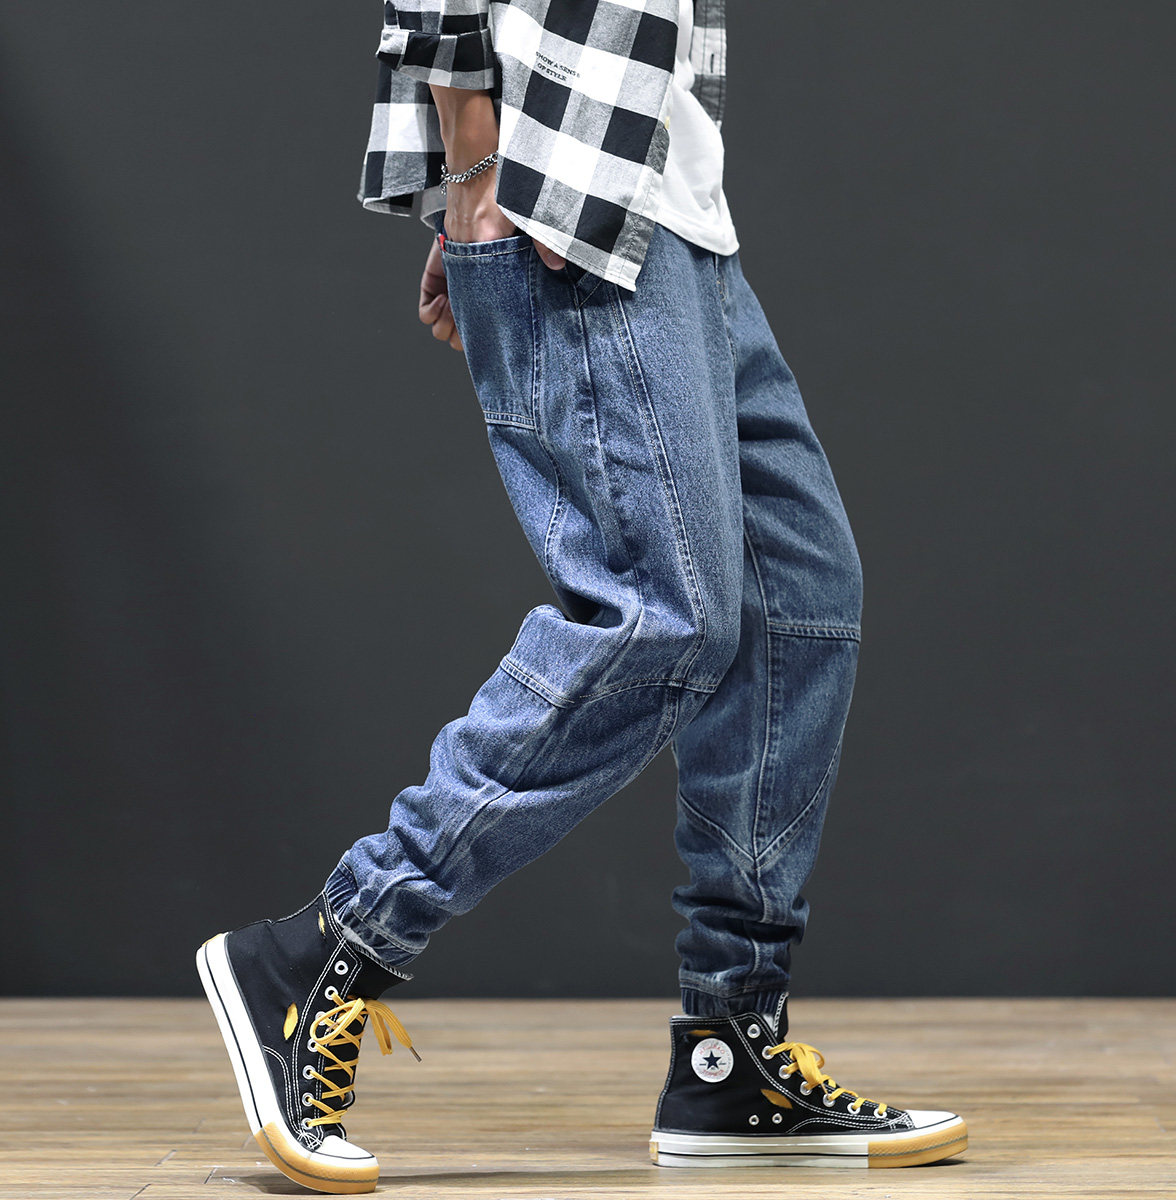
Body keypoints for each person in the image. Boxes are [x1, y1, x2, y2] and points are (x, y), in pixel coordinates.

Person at [196, 0, 967, 1191]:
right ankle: (321, 953)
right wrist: (476, 172)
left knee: (799, 602)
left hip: (673, 209)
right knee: (662, 613)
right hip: (570, 208)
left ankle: (729, 1052)